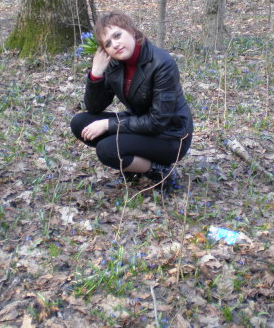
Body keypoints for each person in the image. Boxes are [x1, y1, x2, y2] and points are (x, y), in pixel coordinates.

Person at [70, 11, 193, 193]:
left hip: (171, 135)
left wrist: (108, 124)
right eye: (108, 44)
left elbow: (158, 121)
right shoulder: (115, 63)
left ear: (132, 31)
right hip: (141, 125)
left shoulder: (161, 63)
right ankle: (134, 166)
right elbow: (94, 107)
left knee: (107, 149)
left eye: (117, 35)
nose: (115, 45)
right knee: (80, 123)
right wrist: (96, 73)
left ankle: (159, 171)